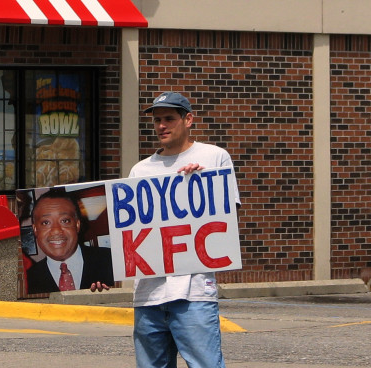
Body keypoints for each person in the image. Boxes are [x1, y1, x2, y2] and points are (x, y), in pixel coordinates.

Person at [128, 91, 239, 368]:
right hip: (148, 295)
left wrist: (201, 184)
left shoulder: (214, 157)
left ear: (188, 119)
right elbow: (127, 233)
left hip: (194, 293)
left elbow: (228, 217)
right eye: (157, 120)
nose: (161, 126)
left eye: (169, 118)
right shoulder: (140, 171)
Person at [24, 189, 114, 294]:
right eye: (46, 222)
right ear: (35, 230)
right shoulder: (27, 280)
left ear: (77, 225)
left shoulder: (111, 261)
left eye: (65, 221)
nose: (56, 230)